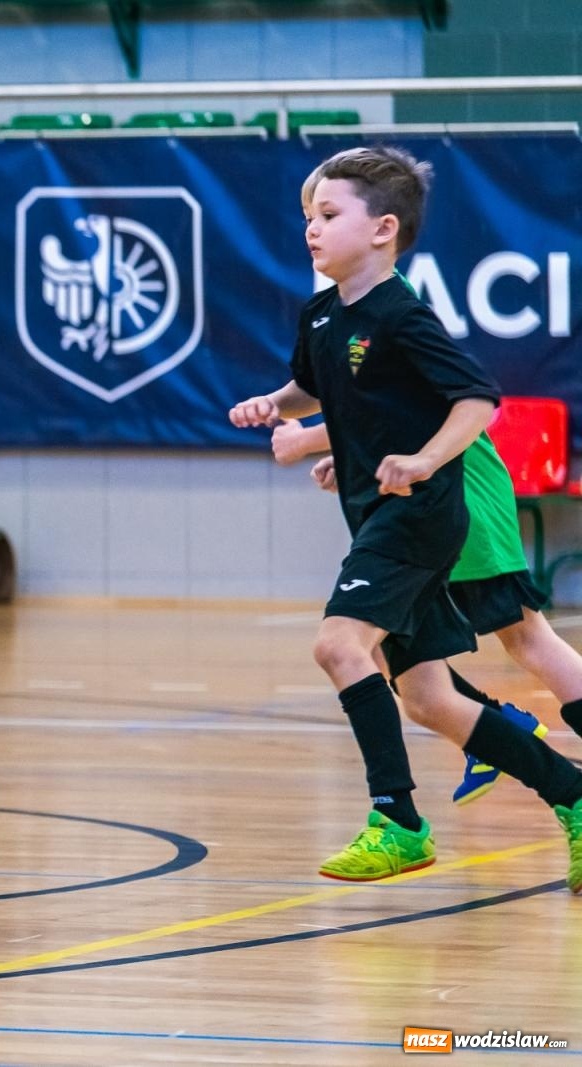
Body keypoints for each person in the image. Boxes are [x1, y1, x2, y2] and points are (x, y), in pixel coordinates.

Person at [228, 146, 582, 889]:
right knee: (427, 697)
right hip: (374, 513)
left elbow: (477, 397)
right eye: (306, 218)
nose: (311, 231)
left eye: (328, 216)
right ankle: (573, 794)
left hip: (417, 518)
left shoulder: (401, 314)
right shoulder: (323, 315)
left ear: (384, 228)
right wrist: (276, 404)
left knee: (338, 645)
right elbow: (316, 388)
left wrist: (422, 461)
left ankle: (399, 821)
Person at [275, 418, 582, 805]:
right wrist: (352, 457)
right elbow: (386, 419)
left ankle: (488, 733)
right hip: (418, 514)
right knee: (379, 648)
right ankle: (491, 725)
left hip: (456, 496)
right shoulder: (359, 366)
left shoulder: (396, 359)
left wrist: (305, 439)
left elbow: (421, 411)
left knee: (525, 637)